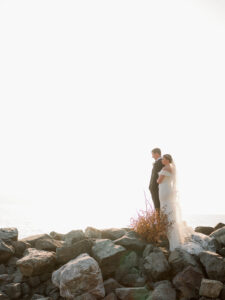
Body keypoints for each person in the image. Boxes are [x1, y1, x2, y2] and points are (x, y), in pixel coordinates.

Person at [157, 153, 216, 254]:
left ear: (167, 160)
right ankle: (174, 237)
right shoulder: (172, 167)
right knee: (170, 212)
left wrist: (157, 179)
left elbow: (159, 181)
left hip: (164, 191)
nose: (162, 161)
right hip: (168, 190)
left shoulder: (166, 168)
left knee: (166, 211)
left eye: (163, 159)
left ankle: (172, 240)